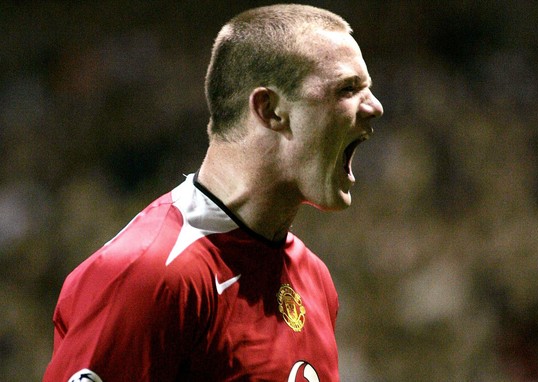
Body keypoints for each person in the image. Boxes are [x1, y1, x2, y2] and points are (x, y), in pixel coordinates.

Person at [43, 4, 383, 381]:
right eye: (347, 89)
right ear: (270, 110)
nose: (375, 107)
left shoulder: (313, 279)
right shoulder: (148, 275)